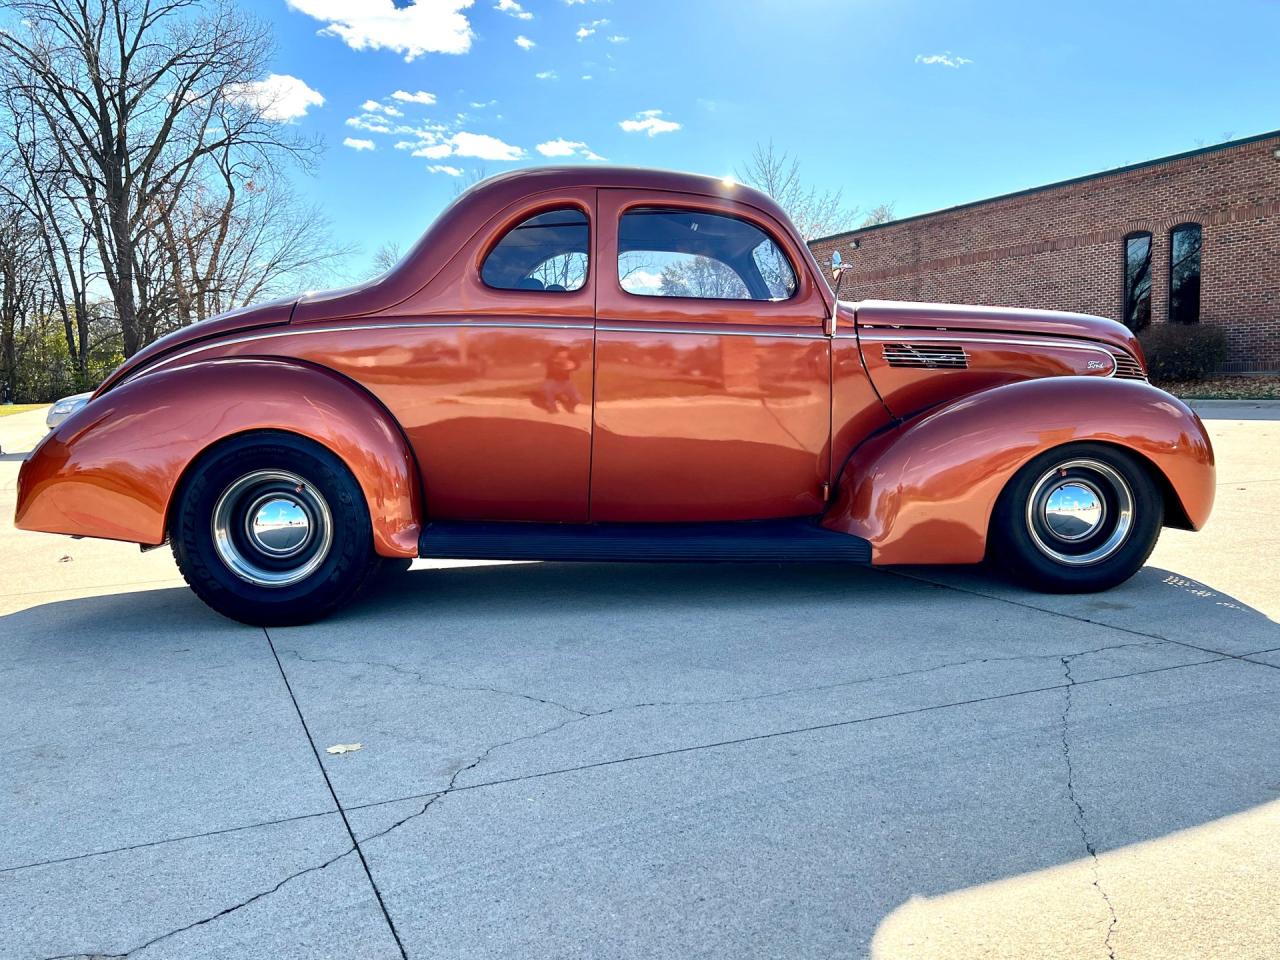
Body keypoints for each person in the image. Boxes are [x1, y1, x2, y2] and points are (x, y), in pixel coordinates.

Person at [541, 346, 581, 413]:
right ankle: (552, 407)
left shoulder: (570, 358)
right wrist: (564, 366)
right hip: (552, 381)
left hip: (566, 381)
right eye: (562, 353)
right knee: (546, 389)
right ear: (557, 353)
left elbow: (578, 365)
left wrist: (574, 364)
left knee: (578, 398)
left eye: (566, 352)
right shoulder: (550, 360)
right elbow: (553, 369)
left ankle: (570, 406)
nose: (564, 354)